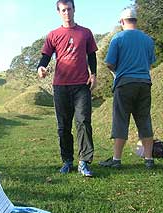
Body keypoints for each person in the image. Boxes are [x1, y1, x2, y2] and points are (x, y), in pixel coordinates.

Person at [37, 0, 98, 177]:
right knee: (63, 126)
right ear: (58, 12)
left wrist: (93, 74)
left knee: (83, 122)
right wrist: (41, 67)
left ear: (74, 10)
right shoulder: (53, 34)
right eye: (63, 10)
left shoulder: (85, 33)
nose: (67, 13)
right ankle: (67, 161)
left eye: (69, 9)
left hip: (81, 86)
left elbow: (91, 55)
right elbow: (45, 56)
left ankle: (84, 162)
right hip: (60, 86)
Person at [99, 8, 156, 169]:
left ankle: (116, 160)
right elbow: (150, 61)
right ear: (136, 21)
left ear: (122, 22)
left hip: (124, 84)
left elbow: (109, 62)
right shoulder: (148, 40)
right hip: (144, 83)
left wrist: (116, 73)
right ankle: (149, 159)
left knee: (121, 120)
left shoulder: (118, 38)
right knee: (144, 120)